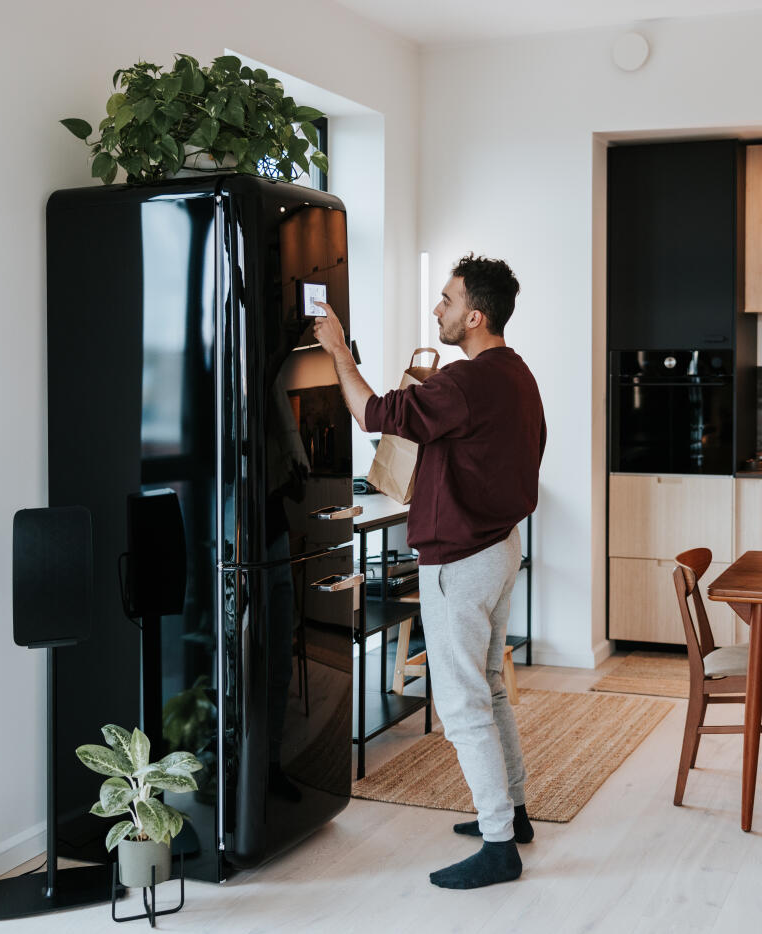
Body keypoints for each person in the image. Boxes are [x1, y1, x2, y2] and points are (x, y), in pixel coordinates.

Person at [312, 253, 545, 890]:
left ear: (474, 315)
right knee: (490, 689)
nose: (435, 310)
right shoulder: (514, 374)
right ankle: (514, 815)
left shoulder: (464, 384)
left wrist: (337, 350)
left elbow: (370, 412)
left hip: (462, 561)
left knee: (463, 702)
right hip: (500, 548)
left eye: (445, 301)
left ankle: (499, 846)